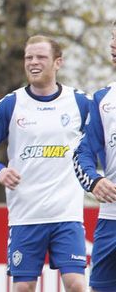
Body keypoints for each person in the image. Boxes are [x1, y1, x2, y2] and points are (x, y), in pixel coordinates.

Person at [0, 35, 88, 291]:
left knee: (77, 284)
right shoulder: (11, 104)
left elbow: (102, 139)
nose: (33, 63)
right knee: (23, 287)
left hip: (66, 215)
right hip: (26, 215)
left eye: (41, 57)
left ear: (58, 62)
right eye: (29, 57)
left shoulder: (80, 102)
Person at [72, 26, 116, 292]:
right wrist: (95, 181)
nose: (114, 43)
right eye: (112, 37)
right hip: (111, 220)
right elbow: (82, 152)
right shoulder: (103, 100)